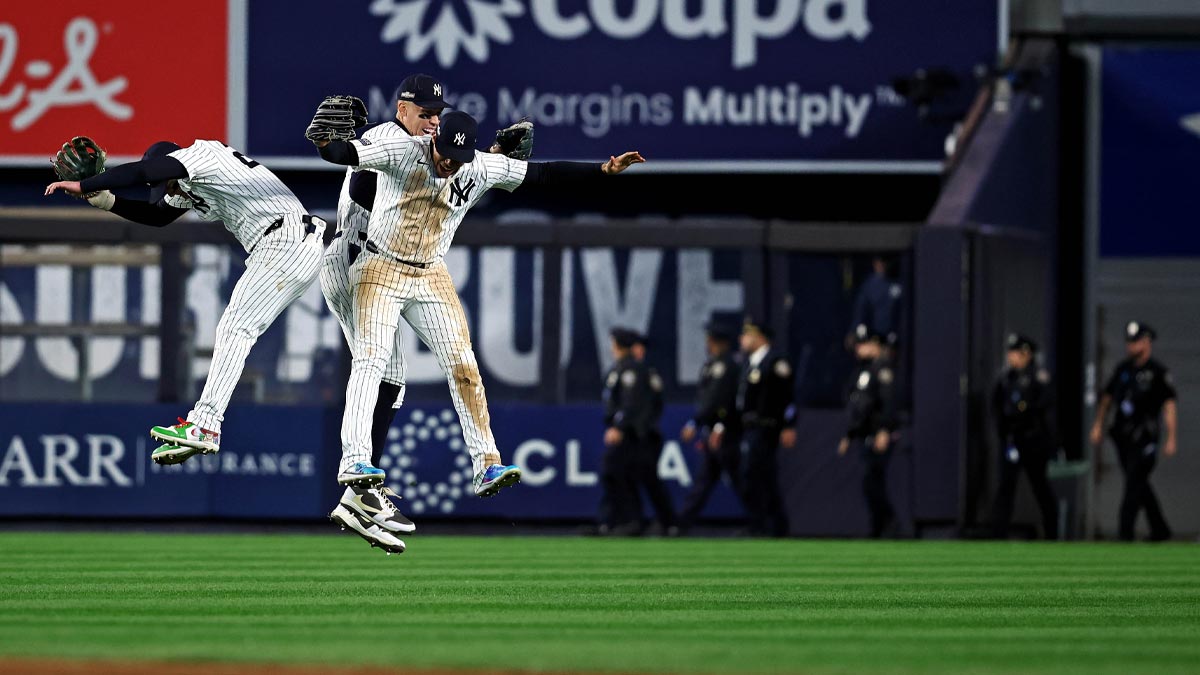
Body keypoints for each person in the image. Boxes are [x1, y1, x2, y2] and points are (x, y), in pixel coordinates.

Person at [307, 102, 644, 501]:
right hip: (380, 266)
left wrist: (601, 170)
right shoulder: (403, 150)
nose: (452, 164)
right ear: (434, 138)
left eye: (460, 157)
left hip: (430, 272)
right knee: (371, 360)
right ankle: (355, 459)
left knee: (464, 366)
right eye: (447, 154)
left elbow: (543, 173)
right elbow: (345, 155)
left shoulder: (477, 165)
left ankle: (486, 463)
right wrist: (326, 141)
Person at [322, 75, 531, 541]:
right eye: (424, 112)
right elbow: (365, 189)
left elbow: (456, 175)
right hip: (355, 257)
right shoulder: (390, 141)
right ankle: (357, 478)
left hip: (408, 265)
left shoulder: (431, 147)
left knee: (398, 379)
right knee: (377, 366)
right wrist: (330, 145)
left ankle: (361, 494)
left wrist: (491, 159)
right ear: (402, 109)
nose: (432, 120)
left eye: (438, 113)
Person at [43, 140, 328, 467]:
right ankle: (205, 424)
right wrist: (107, 200)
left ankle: (205, 424)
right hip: (287, 246)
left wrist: (84, 184)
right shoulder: (189, 180)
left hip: (286, 241)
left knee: (236, 329)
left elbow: (144, 170)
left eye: (165, 181)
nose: (166, 189)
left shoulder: (201, 155)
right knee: (236, 329)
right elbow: (158, 216)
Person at [1089, 321, 1178, 541]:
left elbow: (1169, 406)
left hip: (1146, 436)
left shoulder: (1157, 372)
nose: (1131, 345)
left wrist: (1171, 437)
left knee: (1134, 483)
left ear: (1147, 342)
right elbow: (1107, 399)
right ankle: (1160, 529)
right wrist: (1098, 424)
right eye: (1129, 341)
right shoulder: (1123, 370)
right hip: (1123, 437)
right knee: (1138, 483)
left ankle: (1124, 533)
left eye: (1135, 341)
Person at [714, 317, 795, 537]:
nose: (742, 339)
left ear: (759, 337)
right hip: (747, 427)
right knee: (760, 478)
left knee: (754, 475)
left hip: (766, 427)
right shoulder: (748, 363)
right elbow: (738, 400)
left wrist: (788, 425)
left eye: (747, 335)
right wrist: (722, 426)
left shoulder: (775, 362)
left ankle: (766, 525)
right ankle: (768, 526)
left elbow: (786, 397)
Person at [988, 334, 1058, 540]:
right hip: (1012, 440)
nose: (1011, 357)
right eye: (1010, 353)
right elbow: (996, 409)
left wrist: (1051, 442)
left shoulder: (1039, 377)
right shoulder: (1005, 379)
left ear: (1026, 353)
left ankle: (1052, 534)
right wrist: (1004, 434)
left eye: (1015, 353)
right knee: (1005, 488)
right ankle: (998, 535)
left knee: (1041, 487)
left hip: (1033, 440)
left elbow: (1046, 411)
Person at [678, 321, 743, 532]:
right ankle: (682, 523)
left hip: (726, 432)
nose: (708, 343)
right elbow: (707, 402)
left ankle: (767, 522)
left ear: (718, 342)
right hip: (712, 430)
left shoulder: (728, 366)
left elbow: (725, 401)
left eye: (711, 340)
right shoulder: (712, 365)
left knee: (740, 480)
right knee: (704, 480)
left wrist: (719, 427)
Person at [836, 325, 899, 538]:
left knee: (873, 482)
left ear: (876, 345)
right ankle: (879, 527)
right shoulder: (861, 371)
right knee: (869, 484)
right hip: (864, 434)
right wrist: (849, 434)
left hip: (878, 434)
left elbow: (888, 404)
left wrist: (884, 430)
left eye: (865, 344)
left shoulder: (883, 369)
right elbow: (857, 407)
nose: (860, 348)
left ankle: (889, 526)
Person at [598, 328, 657, 535]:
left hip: (629, 433)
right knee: (620, 475)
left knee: (616, 473)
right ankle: (617, 521)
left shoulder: (632, 369)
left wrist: (619, 426)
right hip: (624, 430)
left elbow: (630, 404)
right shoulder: (619, 368)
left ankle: (628, 521)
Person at [630, 333, 677, 535]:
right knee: (624, 476)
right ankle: (631, 521)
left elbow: (652, 407)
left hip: (645, 436)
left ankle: (667, 521)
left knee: (648, 478)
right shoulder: (629, 371)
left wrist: (639, 429)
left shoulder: (646, 373)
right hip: (634, 435)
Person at [847, 255, 903, 349]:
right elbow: (860, 315)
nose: (882, 264)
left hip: (898, 341)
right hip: (875, 340)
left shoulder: (901, 282)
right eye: (879, 261)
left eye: (885, 261)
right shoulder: (869, 285)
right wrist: (855, 334)